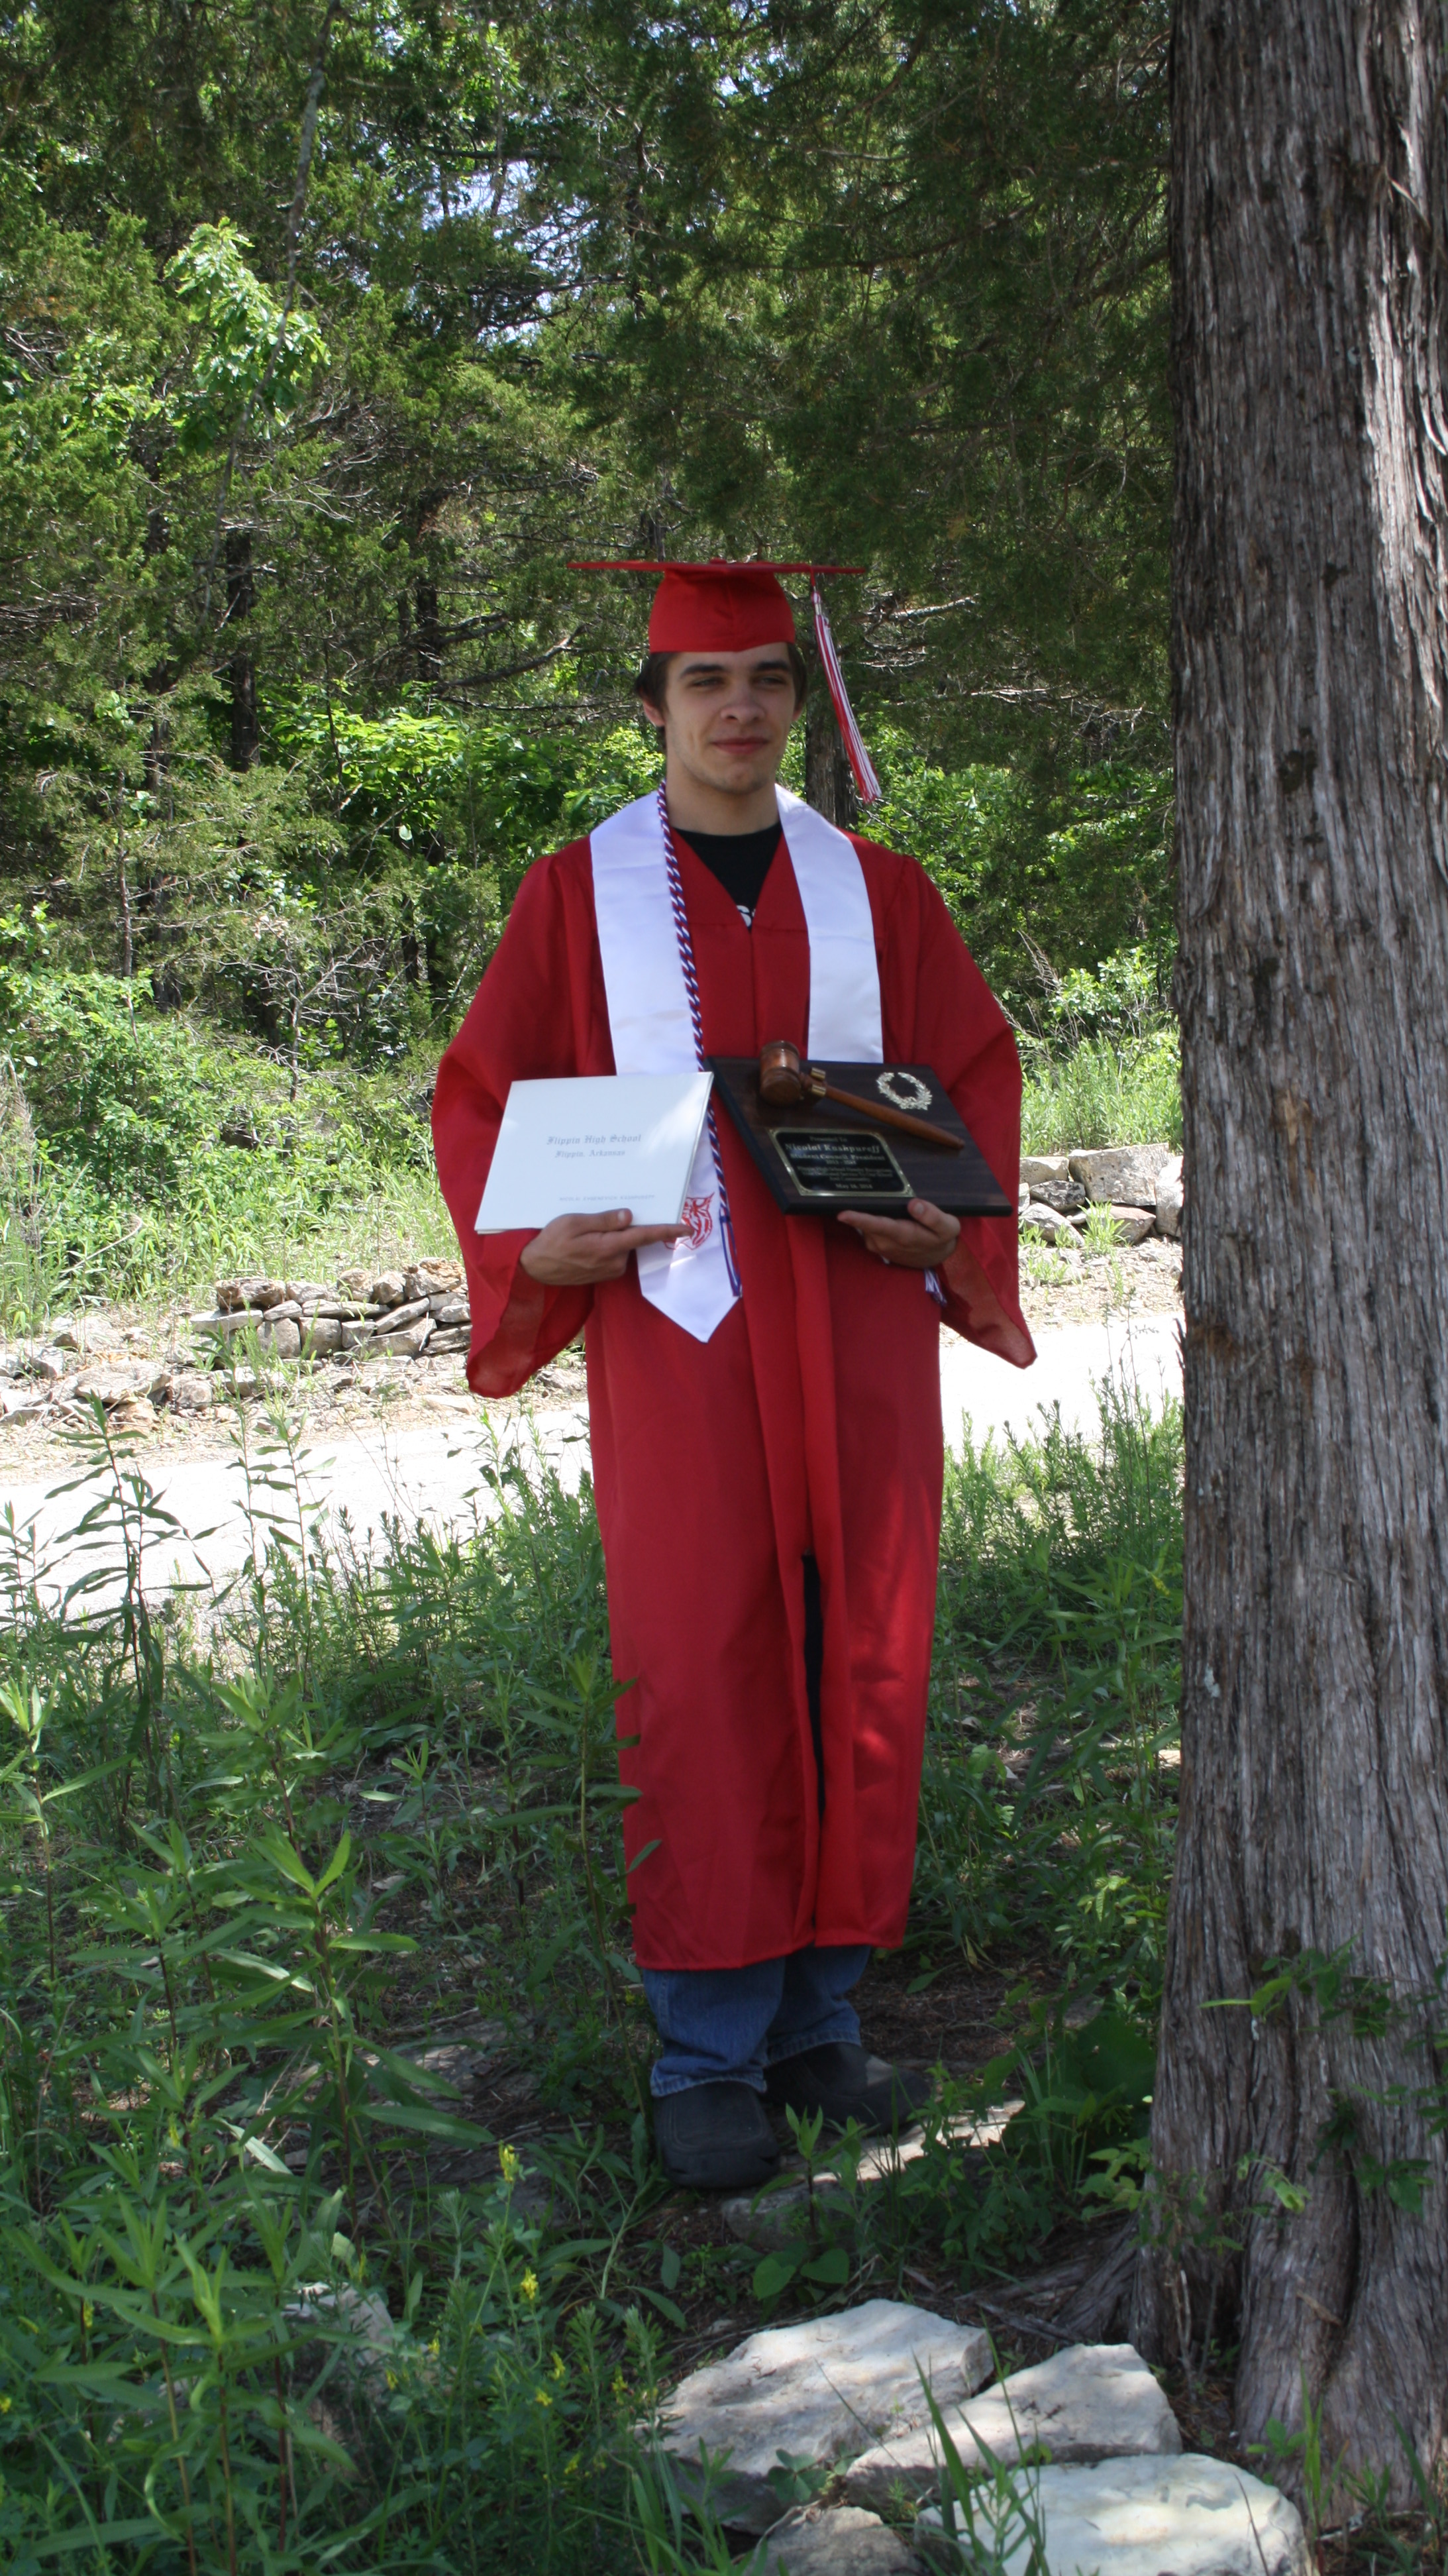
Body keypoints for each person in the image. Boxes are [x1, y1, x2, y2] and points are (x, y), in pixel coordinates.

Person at [433, 561, 1034, 2191]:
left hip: (854, 1325)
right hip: (682, 1333)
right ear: (654, 707)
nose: (742, 706)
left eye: (768, 675)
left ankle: (821, 2026)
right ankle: (704, 2052)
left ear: (798, 700)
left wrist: (952, 1232)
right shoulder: (577, 896)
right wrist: (538, 1250)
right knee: (702, 1663)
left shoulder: (880, 894)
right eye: (706, 680)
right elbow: (483, 1096)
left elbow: (972, 1076)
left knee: (861, 1648)